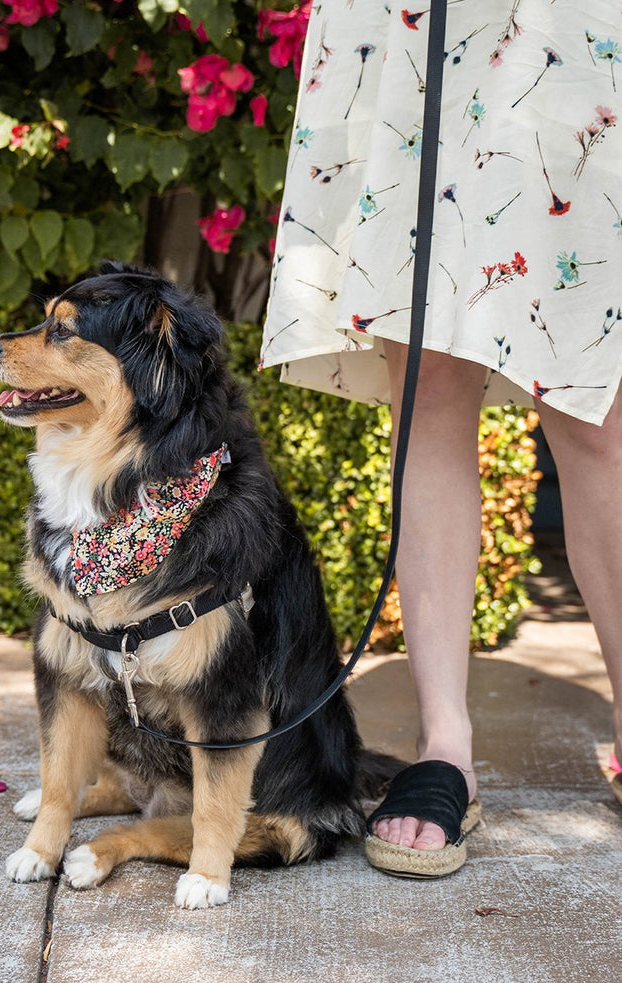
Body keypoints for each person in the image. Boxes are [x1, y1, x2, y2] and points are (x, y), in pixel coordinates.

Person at [263, 0, 622, 877]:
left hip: (567, 24)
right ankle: (443, 743)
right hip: (412, 23)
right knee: (425, 379)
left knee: (595, 402)